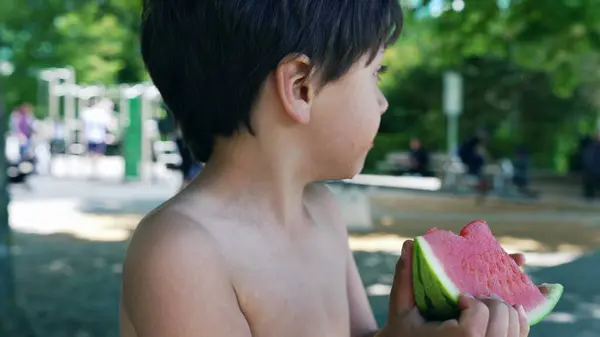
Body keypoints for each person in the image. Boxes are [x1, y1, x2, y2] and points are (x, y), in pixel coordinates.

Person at [120, 1, 533, 337]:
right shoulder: (183, 252)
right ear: (301, 86)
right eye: (376, 74)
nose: (383, 102)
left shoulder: (322, 210)